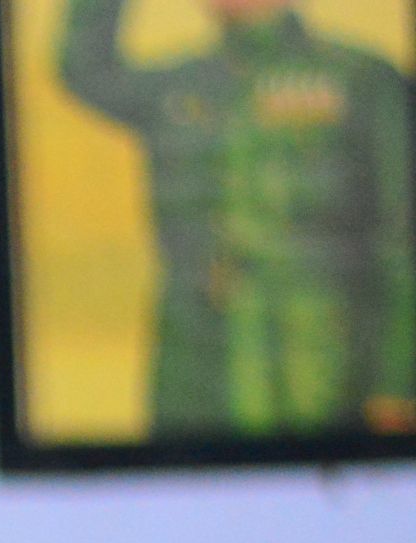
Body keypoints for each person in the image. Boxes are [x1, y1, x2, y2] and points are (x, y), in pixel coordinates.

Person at [57, 0, 416, 438]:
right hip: (197, 374)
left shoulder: (364, 80)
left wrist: (399, 383)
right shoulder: (180, 85)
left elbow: (403, 236)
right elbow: (85, 69)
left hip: (319, 372)